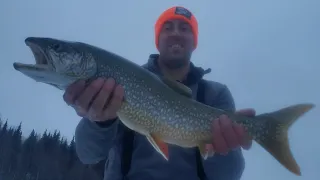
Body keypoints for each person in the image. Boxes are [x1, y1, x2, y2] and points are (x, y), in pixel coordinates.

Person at [63, 6, 256, 180]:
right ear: (157, 39)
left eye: (184, 28)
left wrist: (222, 150)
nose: (175, 33)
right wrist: (99, 122)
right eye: (168, 27)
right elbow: (88, 154)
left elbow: (230, 174)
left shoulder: (216, 94)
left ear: (194, 41)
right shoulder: (120, 82)